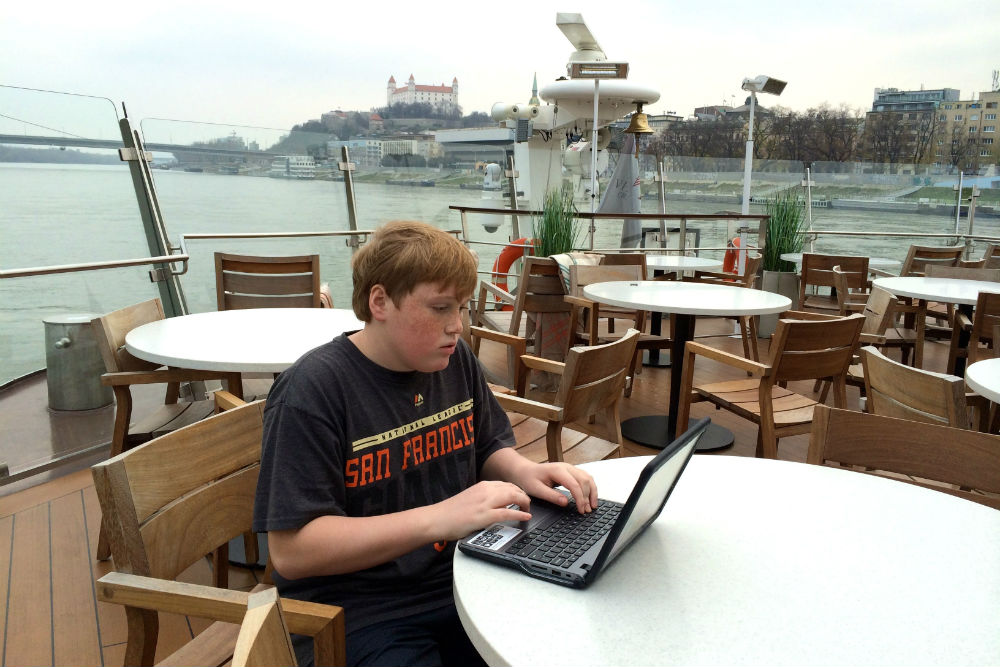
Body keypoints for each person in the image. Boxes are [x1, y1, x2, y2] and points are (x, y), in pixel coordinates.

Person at [253, 220, 598, 667]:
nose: (457, 326)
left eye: (462, 307)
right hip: (356, 609)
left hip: (460, 574)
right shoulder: (314, 390)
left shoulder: (453, 361)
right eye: (440, 308)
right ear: (380, 301)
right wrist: (440, 518)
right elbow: (292, 551)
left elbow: (486, 446)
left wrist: (525, 471)